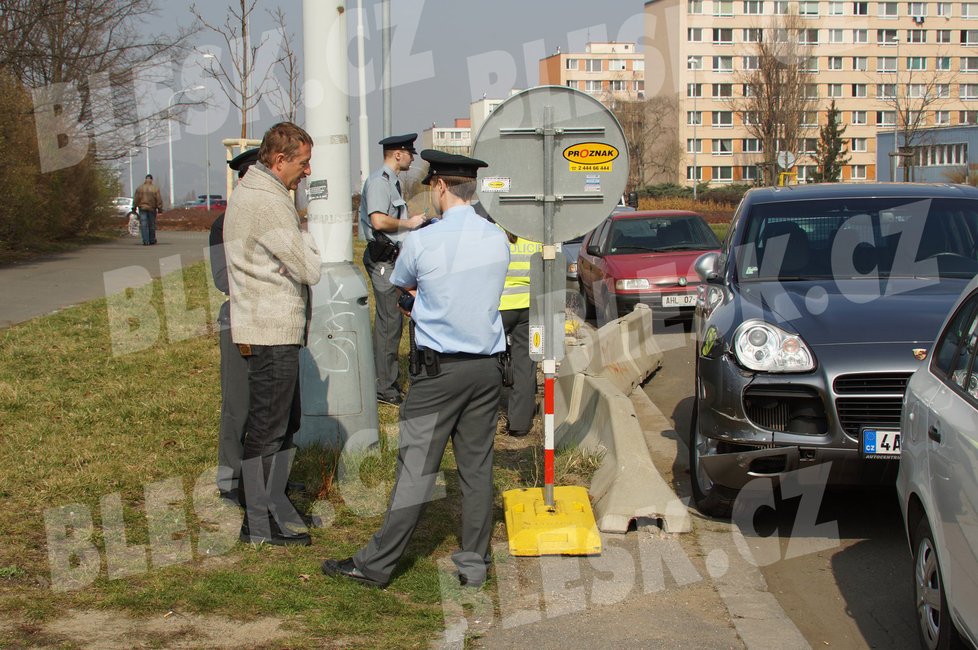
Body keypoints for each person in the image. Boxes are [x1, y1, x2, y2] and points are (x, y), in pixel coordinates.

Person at [322, 150, 510, 588]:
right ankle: (474, 564)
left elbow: (401, 282)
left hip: (437, 373)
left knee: (416, 471)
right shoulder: (496, 237)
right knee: (478, 469)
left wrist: (418, 303)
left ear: (440, 186)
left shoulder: (425, 239)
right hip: (486, 370)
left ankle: (376, 565)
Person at [224, 123, 322, 546]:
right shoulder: (268, 201)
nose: (308, 171)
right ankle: (259, 524)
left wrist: (297, 253)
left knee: (283, 423)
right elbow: (311, 268)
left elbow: (298, 264)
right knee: (268, 428)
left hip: (271, 328)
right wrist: (304, 242)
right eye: (303, 162)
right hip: (270, 330)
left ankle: (273, 507)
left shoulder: (261, 192)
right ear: (279, 160)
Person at [359, 133, 428, 406]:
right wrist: (409, 224)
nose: (413, 156)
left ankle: (388, 381)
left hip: (393, 258)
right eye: (410, 152)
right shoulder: (379, 182)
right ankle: (384, 389)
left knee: (395, 319)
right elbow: (377, 220)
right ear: (397, 154)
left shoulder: (393, 182)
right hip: (383, 260)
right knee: (389, 321)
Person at [208, 148, 259, 507]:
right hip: (239, 321)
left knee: (273, 408)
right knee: (238, 405)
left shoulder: (274, 218)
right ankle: (230, 479)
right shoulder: (222, 224)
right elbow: (224, 279)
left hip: (276, 322)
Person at [498, 234, 543, 437]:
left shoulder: (494, 233)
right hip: (530, 308)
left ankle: (486, 418)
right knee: (526, 364)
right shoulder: (535, 234)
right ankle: (520, 424)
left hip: (499, 306)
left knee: (488, 361)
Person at [132, 174, 163, 245]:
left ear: (145, 179)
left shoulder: (139, 188)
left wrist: (134, 207)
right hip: (152, 208)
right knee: (152, 224)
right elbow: (159, 199)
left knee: (143, 224)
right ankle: (152, 239)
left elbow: (136, 199)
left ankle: (145, 240)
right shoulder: (155, 188)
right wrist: (160, 208)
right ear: (151, 180)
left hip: (142, 208)